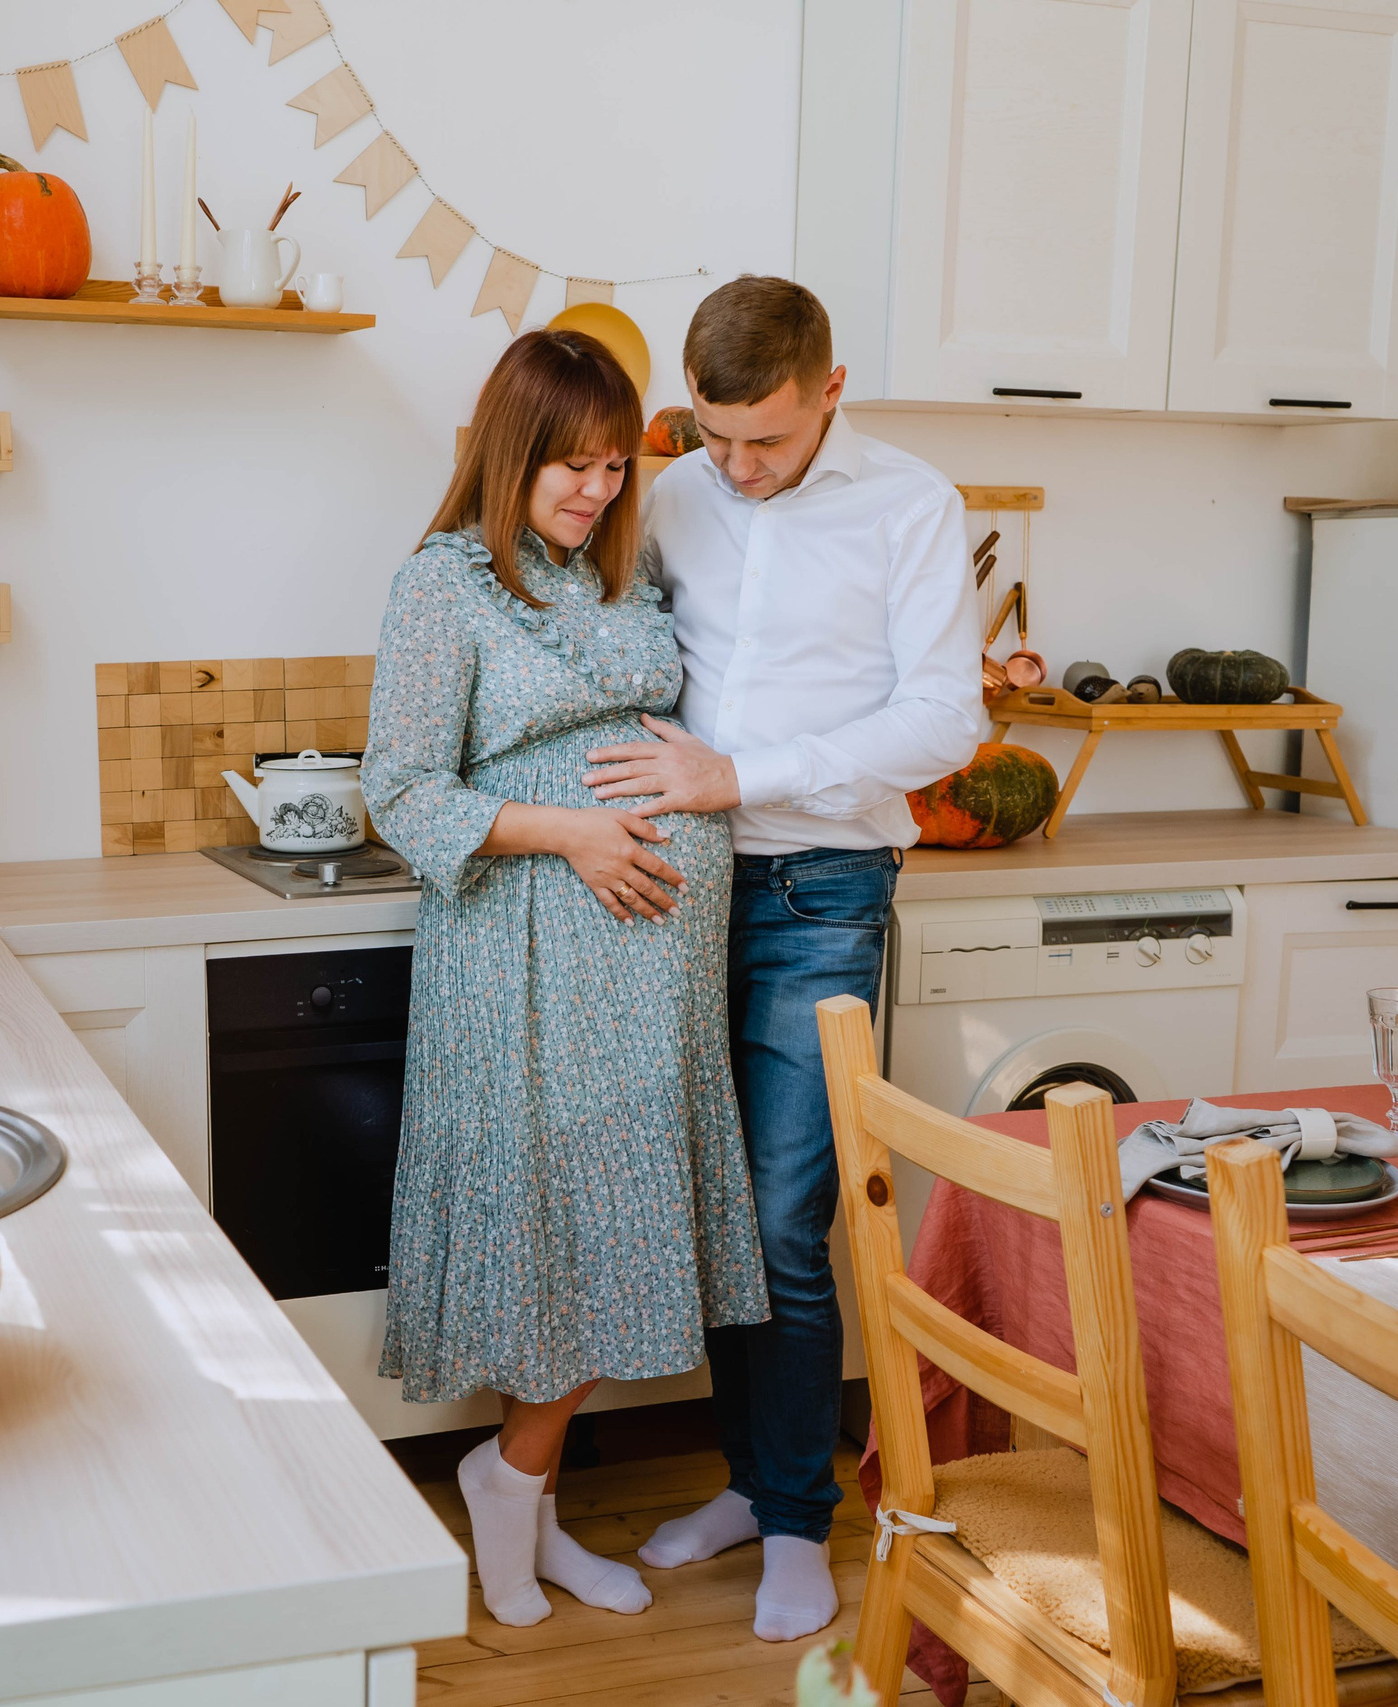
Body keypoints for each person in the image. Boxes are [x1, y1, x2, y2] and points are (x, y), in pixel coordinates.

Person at [581, 276, 983, 1642]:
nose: (738, 469)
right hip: (675, 892)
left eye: (768, 438)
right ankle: (754, 1489)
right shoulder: (675, 488)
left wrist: (748, 773)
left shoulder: (912, 506)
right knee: (712, 1222)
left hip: (824, 892)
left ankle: (804, 1518)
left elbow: (945, 721)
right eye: (715, 436)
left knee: (783, 1221)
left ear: (832, 390)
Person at [363, 328, 770, 1629]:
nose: (595, 491)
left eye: (610, 467)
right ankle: (510, 1486)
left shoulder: (619, 577)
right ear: (509, 452)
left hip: (648, 980)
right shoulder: (445, 585)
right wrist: (576, 831)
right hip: (522, 963)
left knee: (607, 1235)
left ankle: (519, 1498)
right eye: (569, 469)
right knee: (546, 1234)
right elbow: (401, 789)